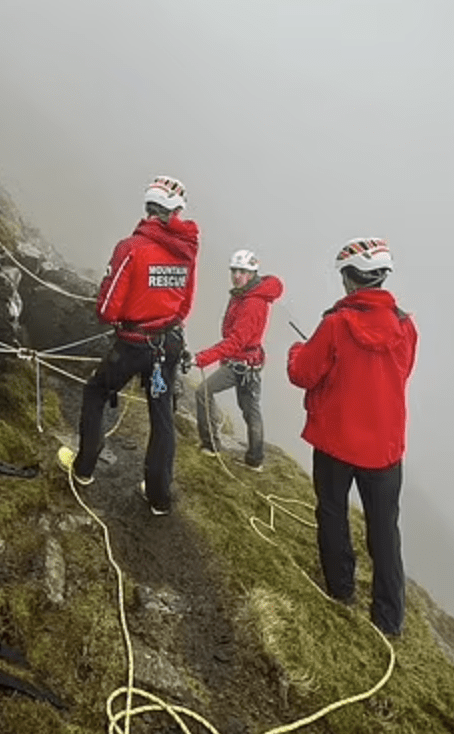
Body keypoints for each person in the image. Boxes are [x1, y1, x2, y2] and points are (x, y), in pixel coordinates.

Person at [287, 237, 416, 637]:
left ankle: (341, 591)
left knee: (332, 513)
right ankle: (389, 618)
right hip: (385, 448)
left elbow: (303, 374)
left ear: (349, 279)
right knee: (384, 529)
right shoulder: (405, 325)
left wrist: (296, 349)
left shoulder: (335, 325)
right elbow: (402, 372)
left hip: (335, 442)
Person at [58, 176, 199, 516]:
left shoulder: (131, 248)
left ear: (148, 208)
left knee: (96, 392)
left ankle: (85, 467)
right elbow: (185, 304)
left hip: (133, 345)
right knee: (161, 414)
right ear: (175, 212)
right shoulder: (187, 251)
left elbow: (107, 310)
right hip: (167, 343)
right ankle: (158, 495)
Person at [194, 250, 283, 471]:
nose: (236, 275)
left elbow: (237, 341)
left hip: (241, 363)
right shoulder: (244, 294)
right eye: (234, 270)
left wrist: (203, 358)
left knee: (204, 392)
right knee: (250, 409)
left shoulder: (252, 303)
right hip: (247, 362)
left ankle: (211, 445)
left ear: (252, 273)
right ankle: (255, 459)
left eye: (242, 271)